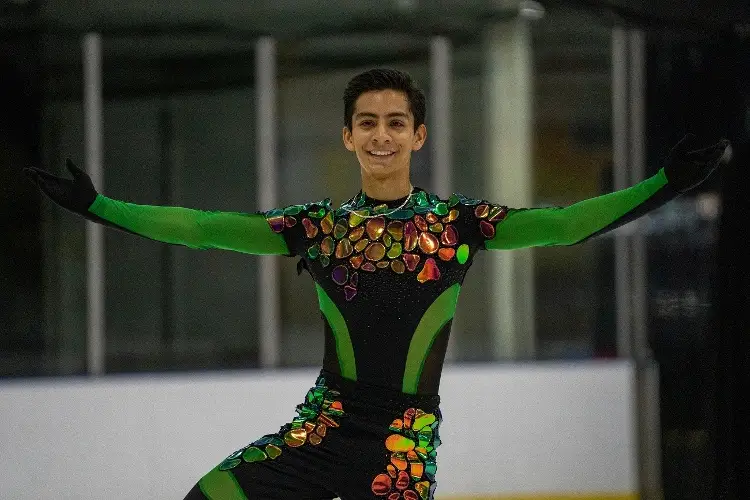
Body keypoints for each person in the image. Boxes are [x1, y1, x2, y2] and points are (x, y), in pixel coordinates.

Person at [24, 68, 729, 500]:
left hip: (401, 445)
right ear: (348, 137)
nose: (382, 134)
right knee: (211, 496)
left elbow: (567, 223)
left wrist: (667, 182)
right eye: (368, 123)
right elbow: (204, 227)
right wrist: (99, 206)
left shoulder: (460, 225)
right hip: (322, 429)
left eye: (396, 122)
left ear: (418, 136)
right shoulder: (317, 227)